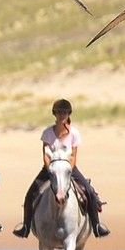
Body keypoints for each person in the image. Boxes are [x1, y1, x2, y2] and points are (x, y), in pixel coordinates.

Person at [14, 99, 111, 238]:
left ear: (68, 114)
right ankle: (25, 226)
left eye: (65, 112)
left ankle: (97, 226)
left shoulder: (74, 133)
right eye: (59, 112)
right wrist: (51, 170)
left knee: (89, 192)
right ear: (54, 114)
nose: (62, 115)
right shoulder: (47, 133)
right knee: (30, 195)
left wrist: (68, 170)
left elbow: (74, 157)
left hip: (69, 168)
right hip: (49, 169)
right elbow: (45, 155)